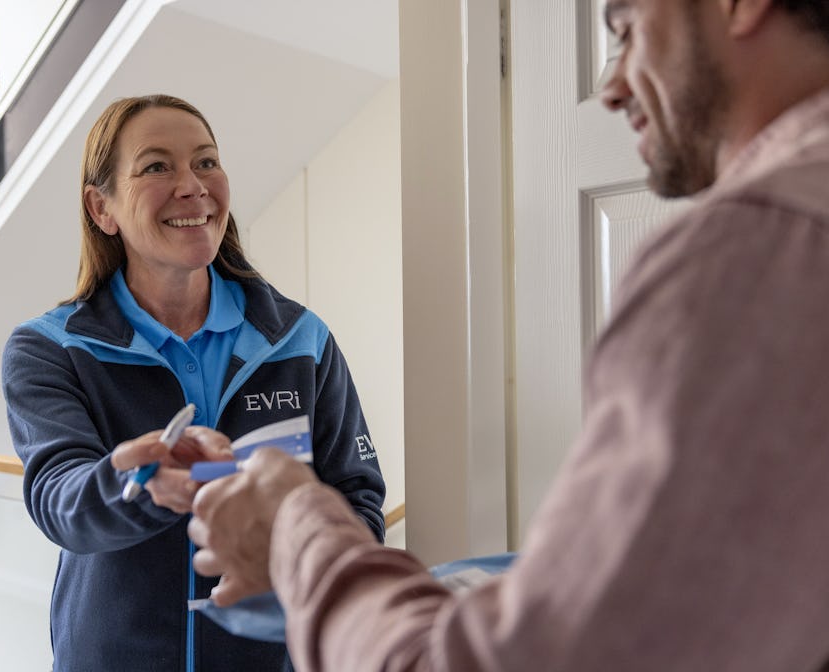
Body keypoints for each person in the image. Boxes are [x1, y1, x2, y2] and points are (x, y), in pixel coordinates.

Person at [187, 1, 829, 670]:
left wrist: (293, 524)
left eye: (628, 28)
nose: (610, 87)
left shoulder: (750, 256)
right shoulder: (68, 342)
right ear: (101, 208)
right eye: (155, 168)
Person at [1, 94, 386, 672]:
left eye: (206, 161)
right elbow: (59, 500)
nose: (192, 185)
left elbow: (358, 499)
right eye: (157, 166)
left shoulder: (301, 341)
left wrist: (294, 558)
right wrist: (132, 484)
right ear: (101, 208)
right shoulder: (52, 350)